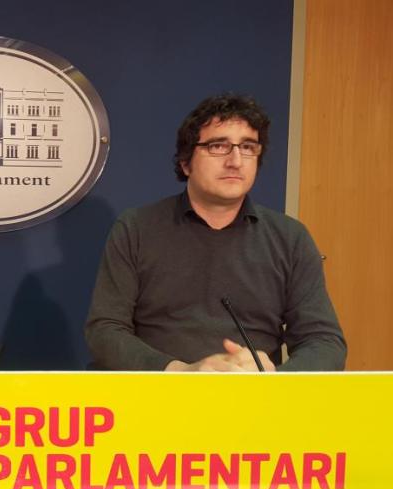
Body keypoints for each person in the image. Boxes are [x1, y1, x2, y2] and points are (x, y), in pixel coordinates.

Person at [85, 94, 346, 372]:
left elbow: (324, 341)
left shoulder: (290, 238)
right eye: (218, 146)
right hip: (161, 391)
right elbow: (105, 330)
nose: (236, 161)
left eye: (248, 147)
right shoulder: (136, 228)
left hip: (254, 393)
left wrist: (275, 381)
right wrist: (181, 372)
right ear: (186, 162)